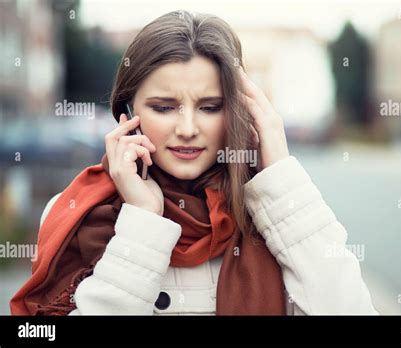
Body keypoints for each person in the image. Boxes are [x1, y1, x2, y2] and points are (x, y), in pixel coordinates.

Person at [11, 10, 378, 315]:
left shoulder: (277, 215)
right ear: (126, 113)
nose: (187, 129)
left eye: (210, 107)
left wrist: (279, 173)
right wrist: (142, 220)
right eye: (164, 107)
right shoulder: (76, 214)